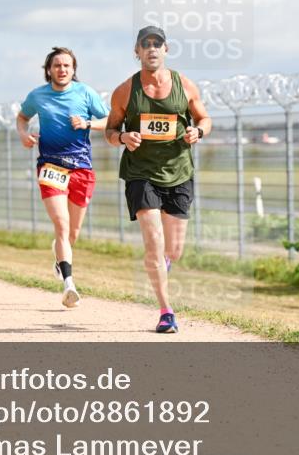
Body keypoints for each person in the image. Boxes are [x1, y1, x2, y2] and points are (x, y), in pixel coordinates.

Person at [105, 26, 212, 334]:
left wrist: (198, 131)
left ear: (166, 50)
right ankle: (166, 311)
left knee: (173, 249)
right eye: (145, 44)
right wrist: (123, 137)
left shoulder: (184, 85)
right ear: (136, 52)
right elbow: (110, 132)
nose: (152, 49)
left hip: (179, 171)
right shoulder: (125, 91)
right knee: (154, 243)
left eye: (157, 44)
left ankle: (161, 266)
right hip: (141, 174)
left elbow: (205, 118)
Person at [17, 46, 108, 308]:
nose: (62, 69)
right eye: (57, 65)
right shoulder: (38, 95)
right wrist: (24, 134)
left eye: (67, 65)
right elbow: (22, 117)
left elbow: (111, 120)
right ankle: (69, 284)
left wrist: (88, 123)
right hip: (51, 167)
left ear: (73, 69)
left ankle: (59, 256)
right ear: (49, 70)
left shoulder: (86, 93)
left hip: (81, 167)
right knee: (61, 224)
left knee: (73, 232)